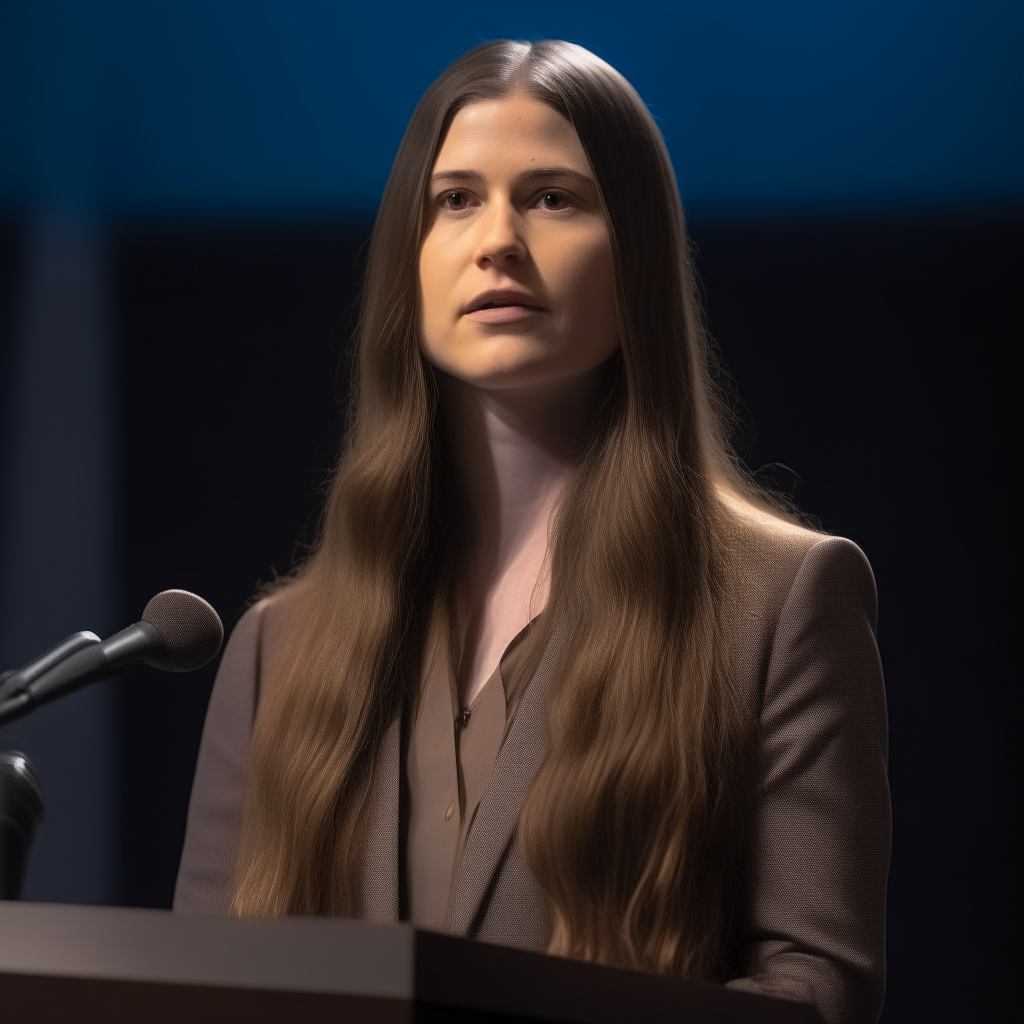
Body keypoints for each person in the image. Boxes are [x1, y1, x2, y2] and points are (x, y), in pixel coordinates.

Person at [174, 39, 890, 1024]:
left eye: (552, 197)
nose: (496, 239)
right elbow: (194, 992)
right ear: (409, 259)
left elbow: (816, 995)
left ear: (632, 249)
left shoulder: (782, 600)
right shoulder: (276, 648)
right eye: (455, 199)